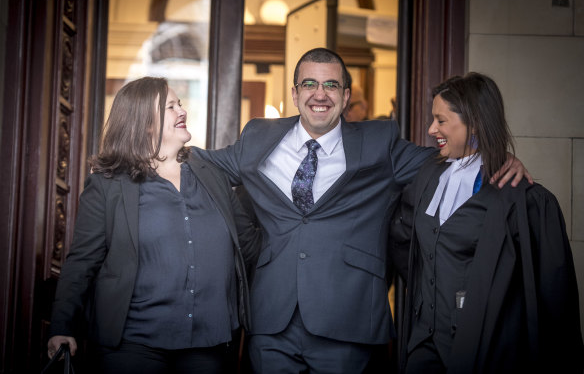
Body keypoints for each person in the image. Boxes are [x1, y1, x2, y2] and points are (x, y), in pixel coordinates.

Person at [193, 48, 530, 373]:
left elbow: (446, 161)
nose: (320, 94)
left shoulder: (379, 142)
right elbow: (202, 164)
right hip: (271, 320)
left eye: (331, 85)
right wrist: (157, 144)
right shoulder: (257, 136)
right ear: (295, 94)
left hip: (348, 319)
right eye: (309, 84)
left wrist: (494, 155)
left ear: (346, 95)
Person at [47, 77, 260, 374]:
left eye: (180, 104)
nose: (181, 111)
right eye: (170, 106)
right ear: (144, 122)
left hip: (210, 342)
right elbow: (82, 262)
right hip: (133, 344)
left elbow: (248, 245)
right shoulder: (108, 185)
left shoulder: (211, 174)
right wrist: (61, 326)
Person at [391, 72, 583, 373]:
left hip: (487, 350)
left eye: (441, 120)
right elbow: (406, 243)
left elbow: (552, 297)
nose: (431, 129)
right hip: (423, 343)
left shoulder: (523, 200)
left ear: (475, 122)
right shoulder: (427, 174)